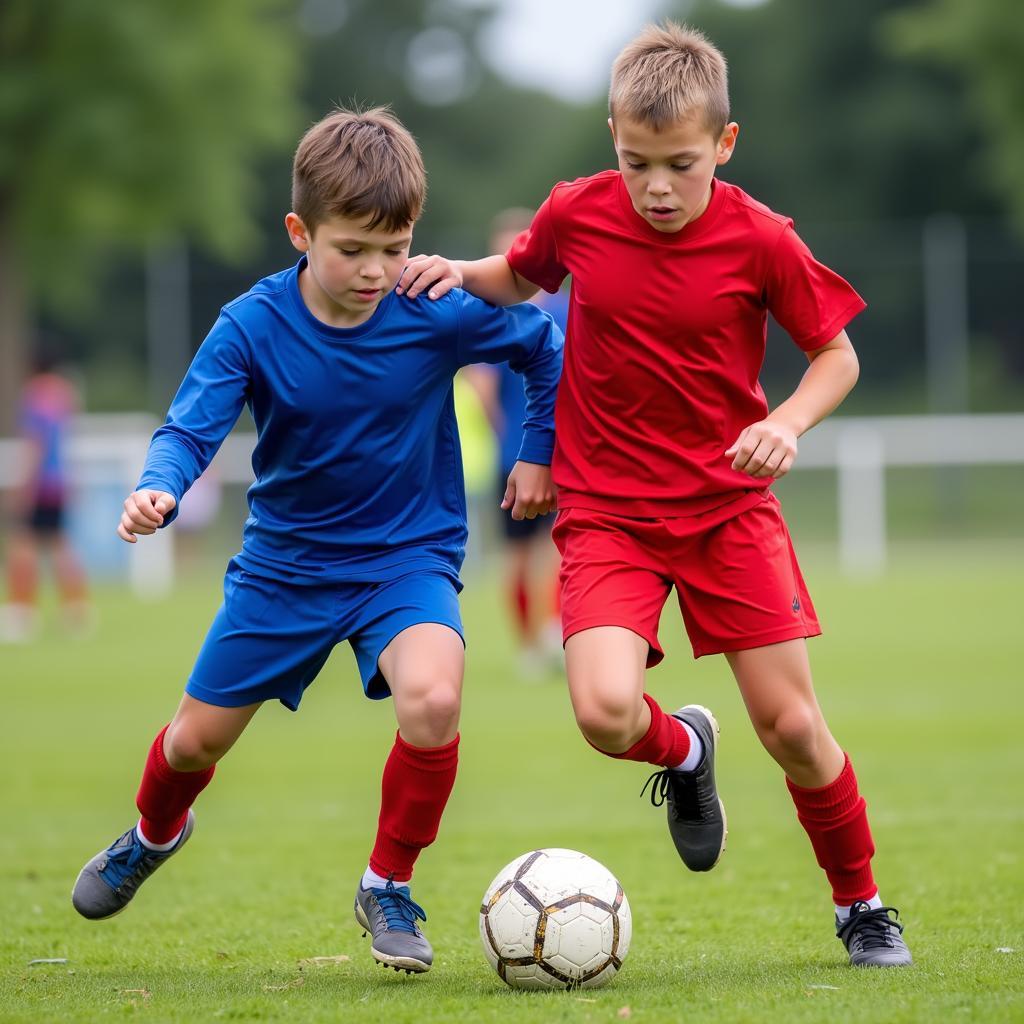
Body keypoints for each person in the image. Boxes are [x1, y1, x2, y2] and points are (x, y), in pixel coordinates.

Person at [398, 22, 911, 967]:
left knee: (793, 727)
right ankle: (683, 753)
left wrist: (785, 423)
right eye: (636, 163)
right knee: (601, 713)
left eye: (679, 163)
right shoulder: (578, 211)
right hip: (609, 514)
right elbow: (518, 276)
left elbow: (835, 356)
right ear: (612, 139)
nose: (658, 187)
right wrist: (455, 274)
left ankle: (862, 904)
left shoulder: (762, 239)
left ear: (725, 143)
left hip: (727, 510)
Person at [70, 106, 562, 976]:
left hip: (405, 560)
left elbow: (543, 347)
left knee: (435, 701)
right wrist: (159, 487)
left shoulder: (435, 308)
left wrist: (536, 452)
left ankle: (388, 883)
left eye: (394, 246)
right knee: (193, 744)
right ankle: (154, 834)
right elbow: (189, 429)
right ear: (300, 232)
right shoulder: (251, 324)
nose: (377, 271)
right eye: (352, 250)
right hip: (284, 570)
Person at [462, 208, 567, 676]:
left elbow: (481, 387)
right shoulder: (563, 310)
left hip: (519, 455)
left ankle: (536, 645)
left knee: (522, 556)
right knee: (562, 548)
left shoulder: (490, 315)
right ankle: (551, 635)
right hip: (553, 452)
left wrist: (507, 431)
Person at [1, 349, 90, 643]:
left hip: (40, 483)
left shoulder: (35, 395)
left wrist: (24, 487)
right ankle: (77, 610)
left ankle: (21, 613)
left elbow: (36, 445)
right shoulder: (64, 393)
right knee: (60, 545)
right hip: (60, 481)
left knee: (23, 544)